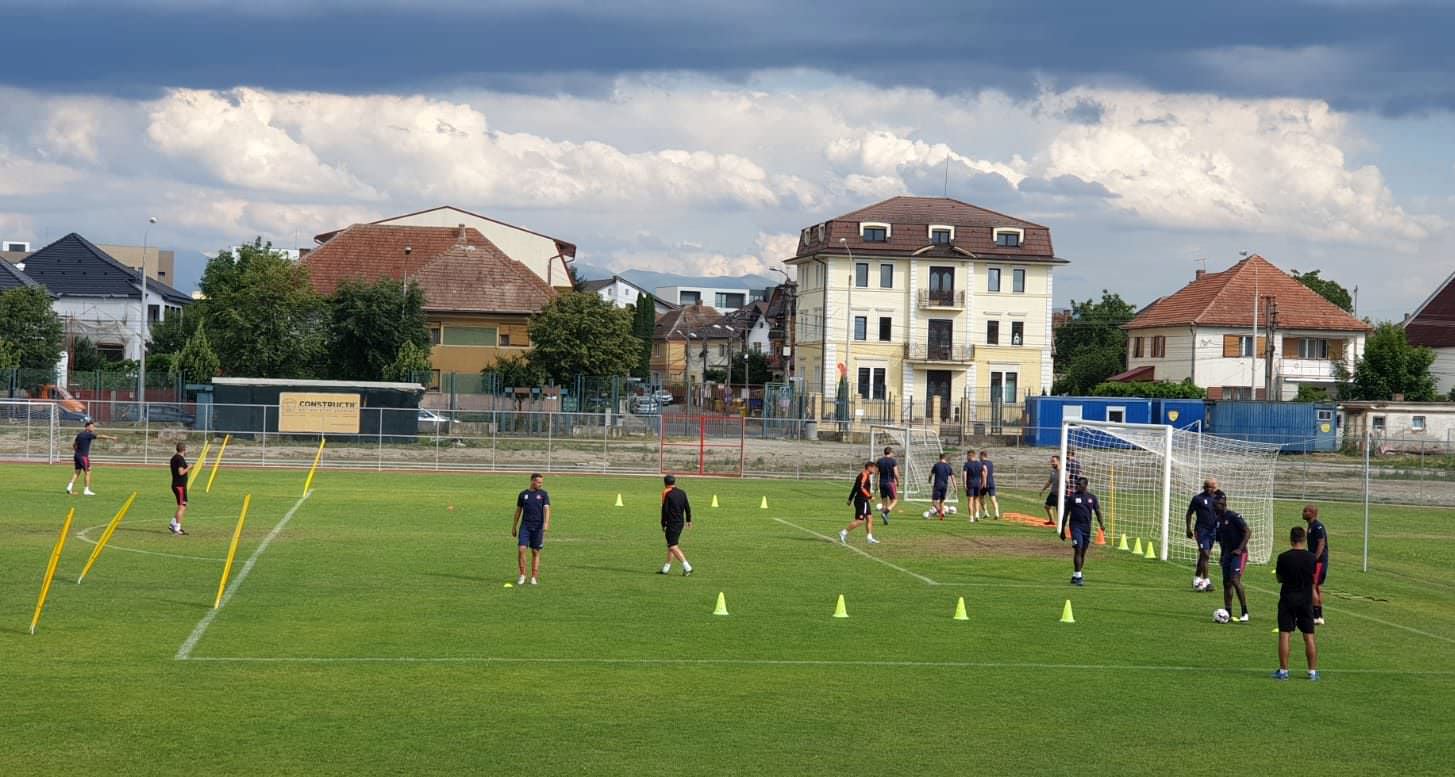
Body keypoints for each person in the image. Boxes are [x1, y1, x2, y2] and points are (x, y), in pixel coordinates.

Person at [1274, 525, 1319, 681]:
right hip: (1305, 600)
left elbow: (1279, 578)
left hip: (1288, 598)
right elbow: (1314, 579)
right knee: (1309, 636)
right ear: (1304, 539)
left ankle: (1284, 671)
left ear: (1291, 539)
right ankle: (1312, 672)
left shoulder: (1283, 557)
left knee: (1285, 635)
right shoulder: (1312, 558)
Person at [1213, 493, 1250, 621]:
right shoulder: (1218, 521)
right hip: (1228, 554)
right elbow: (1222, 540)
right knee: (1226, 583)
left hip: (1239, 553)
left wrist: (1240, 549)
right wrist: (1223, 555)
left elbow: (1247, 531)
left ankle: (1245, 612)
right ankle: (1227, 612)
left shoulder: (1234, 517)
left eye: (1215, 505)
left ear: (1222, 505)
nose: (1213, 507)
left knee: (1235, 580)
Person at [1064, 477, 1106, 586]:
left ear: (1085, 485)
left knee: (1082, 552)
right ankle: (1079, 577)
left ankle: (1075, 575)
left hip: (1087, 528)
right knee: (1078, 549)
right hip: (1075, 527)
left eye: (1079, 484)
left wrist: (1101, 524)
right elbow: (1065, 514)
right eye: (1076, 484)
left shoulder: (1092, 498)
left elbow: (1097, 511)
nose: (1076, 486)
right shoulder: (1072, 497)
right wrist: (1062, 530)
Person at [510, 473, 550, 585]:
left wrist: (546, 523)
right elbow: (518, 511)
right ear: (532, 481)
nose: (540, 484)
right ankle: (522, 575)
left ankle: (534, 577)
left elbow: (547, 509)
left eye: (541, 482)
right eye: (538, 482)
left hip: (538, 527)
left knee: (535, 551)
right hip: (525, 526)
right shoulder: (523, 494)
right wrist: (514, 526)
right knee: (521, 549)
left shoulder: (543, 494)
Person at [1185, 479, 1221, 592]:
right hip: (1201, 531)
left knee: (1204, 556)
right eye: (1209, 487)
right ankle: (1207, 581)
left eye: (1213, 487)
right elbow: (1189, 513)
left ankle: (1196, 578)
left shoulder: (1217, 499)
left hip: (1213, 531)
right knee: (1205, 554)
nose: (1211, 489)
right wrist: (1188, 529)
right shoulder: (1198, 499)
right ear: (1204, 487)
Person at [65, 420, 116, 496]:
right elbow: (101, 436)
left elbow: (74, 445)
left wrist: (77, 452)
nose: (93, 428)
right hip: (83, 456)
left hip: (77, 455)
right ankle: (86, 490)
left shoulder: (79, 434)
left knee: (77, 472)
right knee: (88, 472)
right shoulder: (88, 434)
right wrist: (111, 437)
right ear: (87, 427)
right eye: (92, 426)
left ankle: (69, 487)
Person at [659, 474, 694, 576]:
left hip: (672, 523)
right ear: (675, 482)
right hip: (680, 522)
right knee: (671, 544)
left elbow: (664, 510)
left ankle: (687, 567)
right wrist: (689, 520)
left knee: (673, 546)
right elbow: (687, 507)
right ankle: (666, 569)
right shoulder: (682, 492)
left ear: (665, 483)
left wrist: (663, 523)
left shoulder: (667, 493)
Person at [840, 460, 880, 545]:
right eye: (874, 468)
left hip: (863, 500)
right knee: (860, 520)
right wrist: (870, 496)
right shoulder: (864, 475)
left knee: (869, 518)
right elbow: (861, 488)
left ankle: (869, 538)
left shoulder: (863, 475)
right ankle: (843, 532)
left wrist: (850, 499)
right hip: (862, 500)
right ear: (869, 467)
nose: (875, 470)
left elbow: (855, 487)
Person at [1303, 504, 1329, 625]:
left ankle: (1316, 615)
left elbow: (1321, 543)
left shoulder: (1317, 526)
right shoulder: (1310, 526)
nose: (1303, 512)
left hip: (1319, 562)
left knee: (1311, 586)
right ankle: (1319, 616)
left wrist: (1314, 559)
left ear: (1313, 513)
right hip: (1316, 561)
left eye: (1306, 511)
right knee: (1316, 587)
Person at [875, 446, 901, 525]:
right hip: (890, 483)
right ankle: (885, 512)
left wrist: (877, 484)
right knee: (895, 500)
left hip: (882, 483)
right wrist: (898, 481)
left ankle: (885, 519)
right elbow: (896, 473)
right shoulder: (893, 461)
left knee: (884, 501)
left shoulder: (879, 461)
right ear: (890, 452)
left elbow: (877, 473)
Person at [169, 442, 190, 536]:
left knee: (182, 505)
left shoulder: (174, 458)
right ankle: (177, 528)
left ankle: (173, 523)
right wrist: (189, 467)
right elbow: (181, 472)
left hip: (177, 485)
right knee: (182, 506)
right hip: (180, 486)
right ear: (184, 450)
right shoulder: (180, 459)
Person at [928, 453, 955, 520]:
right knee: (942, 501)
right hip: (945, 486)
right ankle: (941, 515)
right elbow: (952, 477)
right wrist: (955, 487)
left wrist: (929, 480)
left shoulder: (936, 465)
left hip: (937, 485)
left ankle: (941, 512)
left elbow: (931, 474)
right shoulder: (948, 466)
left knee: (934, 501)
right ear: (945, 458)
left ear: (939, 458)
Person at [1038, 454, 1061, 526]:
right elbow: (1049, 482)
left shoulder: (1063, 472)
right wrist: (1043, 490)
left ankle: (1061, 525)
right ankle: (1051, 521)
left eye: (1053, 461)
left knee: (1059, 509)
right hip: (1053, 493)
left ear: (1059, 461)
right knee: (1047, 506)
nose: (1052, 463)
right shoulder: (1053, 471)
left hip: (1061, 495)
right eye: (1051, 461)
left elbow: (1068, 482)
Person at [979, 450, 1001, 519]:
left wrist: (982, 483)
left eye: (979, 455)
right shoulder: (991, 463)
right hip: (991, 482)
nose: (979, 457)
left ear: (982, 456)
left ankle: (986, 512)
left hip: (984, 483)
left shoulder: (981, 463)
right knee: (993, 498)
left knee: (981, 497)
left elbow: (984, 473)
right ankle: (997, 512)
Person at [962, 450, 984, 522]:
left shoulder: (967, 464)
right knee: (976, 500)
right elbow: (983, 474)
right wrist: (983, 483)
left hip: (970, 483)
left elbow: (964, 474)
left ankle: (971, 518)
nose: (966, 457)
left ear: (970, 455)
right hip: (978, 484)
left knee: (970, 500)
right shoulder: (979, 464)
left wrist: (964, 484)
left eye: (967, 456)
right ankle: (977, 514)